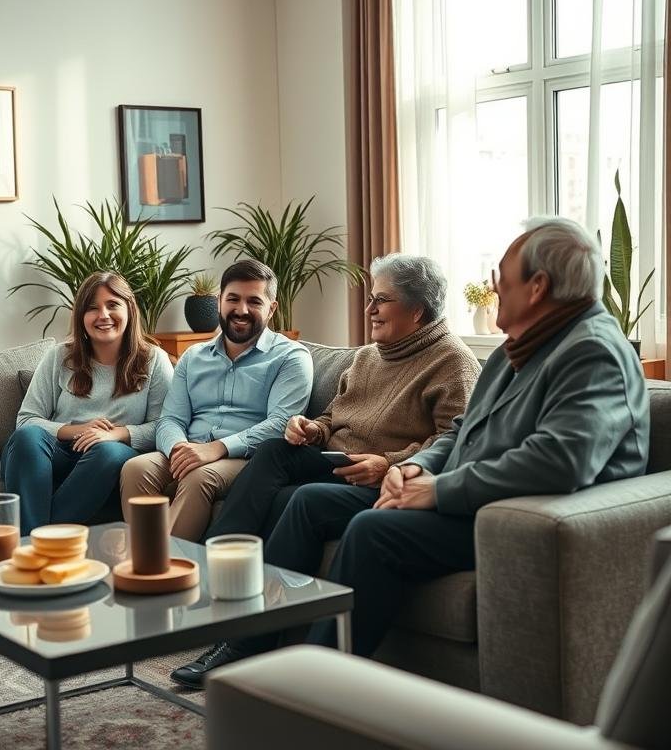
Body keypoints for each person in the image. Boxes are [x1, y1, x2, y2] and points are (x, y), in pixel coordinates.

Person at [171, 216, 650, 688]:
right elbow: (465, 430)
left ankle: (313, 684)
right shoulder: (517, 349)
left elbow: (560, 460)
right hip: (468, 495)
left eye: (499, 278)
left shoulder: (592, 352)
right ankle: (246, 641)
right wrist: (419, 466)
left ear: (539, 286)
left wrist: (436, 488)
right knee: (307, 500)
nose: (492, 288)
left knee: (371, 530)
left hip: (511, 515)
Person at [204, 254, 480, 543]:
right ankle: (221, 556)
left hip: (381, 477)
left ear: (417, 311)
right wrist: (313, 430)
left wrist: (389, 463)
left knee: (302, 498)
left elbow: (456, 440)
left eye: (381, 300)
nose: (368, 309)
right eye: (371, 298)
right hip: (337, 462)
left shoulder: (453, 362)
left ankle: (279, 587)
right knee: (274, 450)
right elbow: (332, 416)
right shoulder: (367, 356)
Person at [120, 259, 313, 541]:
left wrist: (217, 448)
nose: (241, 310)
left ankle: (166, 571)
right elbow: (171, 419)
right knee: (135, 468)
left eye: (254, 301)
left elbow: (280, 424)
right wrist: (178, 449)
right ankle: (143, 558)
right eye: (232, 299)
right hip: (190, 448)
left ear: (271, 309)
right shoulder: (193, 357)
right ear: (219, 301)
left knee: (198, 478)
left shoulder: (291, 357)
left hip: (246, 458)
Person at [1, 272, 173, 533]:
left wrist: (117, 434)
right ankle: (42, 545)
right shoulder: (59, 356)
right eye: (92, 308)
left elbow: (165, 425)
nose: (103, 315)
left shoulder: (154, 360)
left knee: (109, 452)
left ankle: (38, 544)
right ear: (81, 317)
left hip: (109, 457)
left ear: (130, 309)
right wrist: (79, 430)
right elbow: (26, 419)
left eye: (113, 305)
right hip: (53, 453)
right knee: (27, 436)